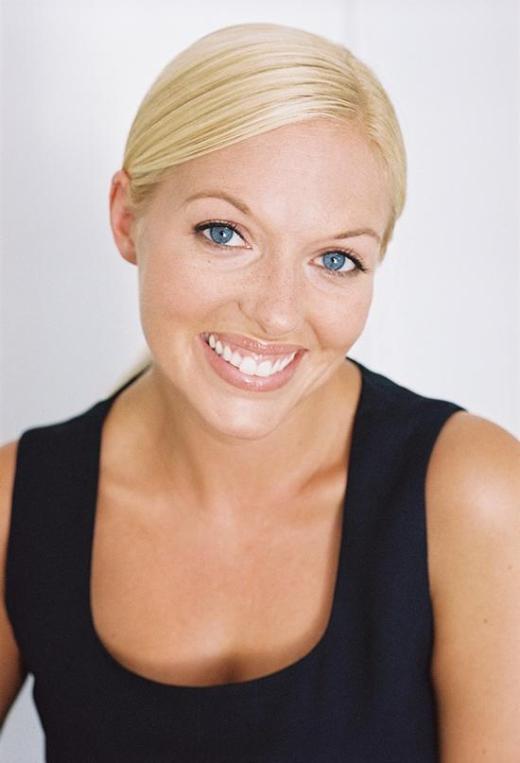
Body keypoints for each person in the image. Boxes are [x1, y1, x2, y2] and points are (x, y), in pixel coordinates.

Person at [0, 21, 519, 763]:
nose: (277, 312)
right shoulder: (17, 506)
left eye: (335, 259)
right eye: (224, 233)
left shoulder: (475, 495)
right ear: (126, 217)